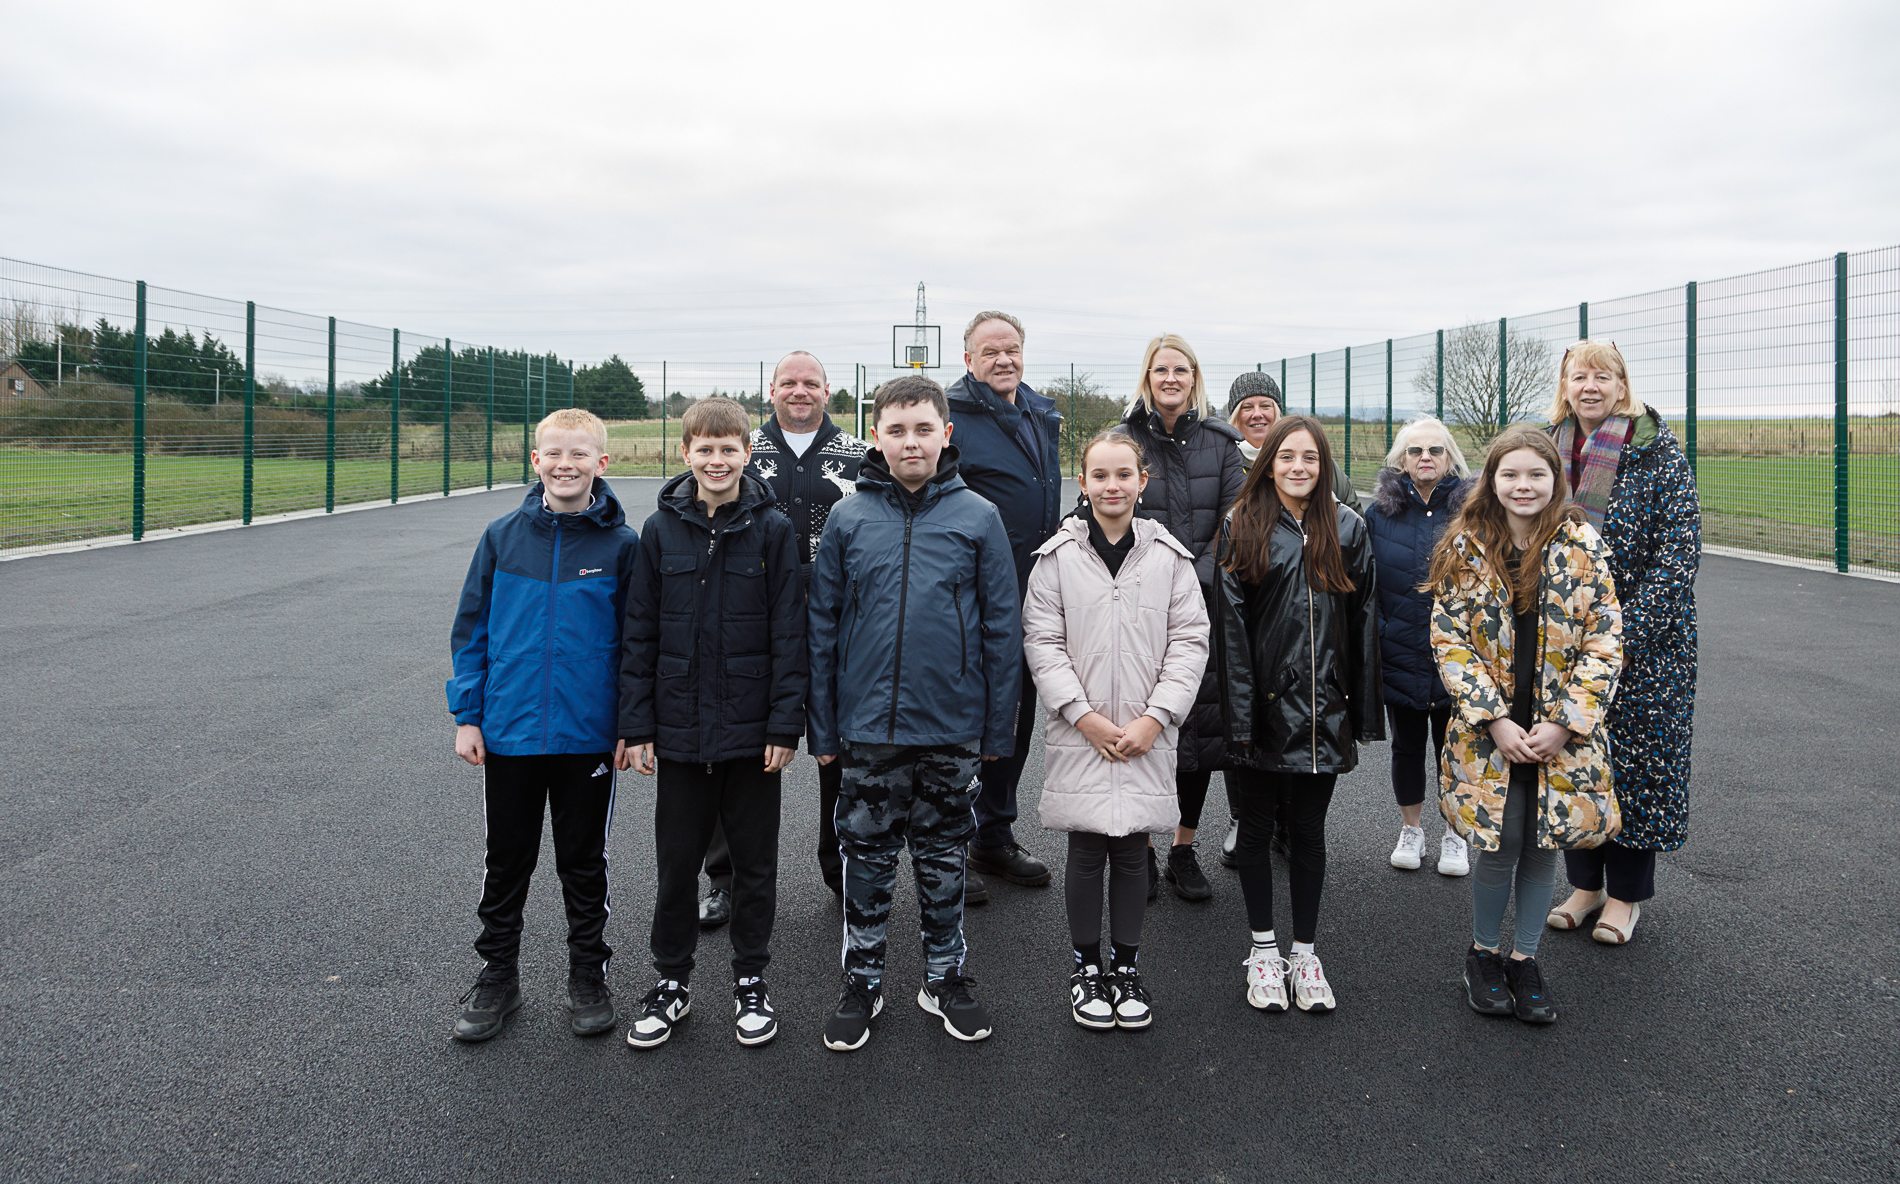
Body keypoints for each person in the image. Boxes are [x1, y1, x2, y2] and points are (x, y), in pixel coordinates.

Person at [808, 375, 1020, 1051]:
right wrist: (823, 723)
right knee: (865, 855)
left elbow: (1000, 632)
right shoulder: (849, 518)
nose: (910, 442)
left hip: (952, 725)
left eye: (923, 429)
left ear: (945, 434)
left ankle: (944, 977)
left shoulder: (978, 517)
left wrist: (996, 729)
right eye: (896, 430)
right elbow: (823, 624)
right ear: (877, 435)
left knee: (942, 854)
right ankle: (863, 981)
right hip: (867, 727)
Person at [616, 397, 806, 1049]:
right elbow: (638, 632)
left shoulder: (773, 530)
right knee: (676, 867)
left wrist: (785, 727)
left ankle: (751, 982)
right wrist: (637, 725)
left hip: (754, 737)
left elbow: (790, 631)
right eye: (705, 448)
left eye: (730, 448)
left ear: (749, 454)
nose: (717, 459)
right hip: (678, 733)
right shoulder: (658, 531)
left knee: (755, 866)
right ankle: (672, 982)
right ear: (686, 453)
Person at [445, 408, 639, 1043]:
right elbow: (472, 632)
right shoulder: (502, 538)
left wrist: (630, 726)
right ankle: (497, 977)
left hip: (588, 734)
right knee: (507, 860)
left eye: (579, 455)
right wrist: (467, 715)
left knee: (583, 862)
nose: (565, 464)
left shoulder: (622, 546)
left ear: (601, 464)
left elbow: (638, 644)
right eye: (553, 453)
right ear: (535, 461)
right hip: (511, 731)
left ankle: (588, 976)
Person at [1426, 425, 1624, 1024]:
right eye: (1510, 474)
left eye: (1536, 474)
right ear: (1492, 480)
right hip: (1493, 735)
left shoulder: (1583, 545)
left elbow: (1605, 640)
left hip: (1560, 736)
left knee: (1544, 845)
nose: (1523, 485)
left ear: (1555, 481)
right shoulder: (1465, 548)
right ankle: (1484, 955)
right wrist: (1493, 720)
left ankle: (1525, 959)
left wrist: (1566, 722)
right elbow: (1450, 640)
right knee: (1501, 840)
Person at [1022, 429, 1209, 1030]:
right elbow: (1043, 645)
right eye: (1099, 475)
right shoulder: (1054, 559)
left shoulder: (1169, 558)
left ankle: (1126, 968)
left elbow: (1190, 642)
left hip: (1146, 734)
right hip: (1083, 732)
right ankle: (1085, 967)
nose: (1112, 486)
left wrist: (1157, 717)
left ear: (1142, 481)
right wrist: (1084, 717)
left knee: (1132, 851)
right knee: (1084, 848)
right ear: (1083, 482)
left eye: (1123, 475)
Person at [1214, 415, 1382, 1014]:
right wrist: (1240, 718)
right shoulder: (1242, 524)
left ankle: (1304, 952)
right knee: (1255, 831)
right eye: (1287, 457)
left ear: (1324, 463)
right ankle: (1264, 950)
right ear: (1268, 462)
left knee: (1309, 834)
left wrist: (1360, 711)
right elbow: (1230, 633)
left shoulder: (1349, 528)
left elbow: (1363, 621)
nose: (1298, 468)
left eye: (1310, 458)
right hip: (1261, 713)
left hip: (1322, 714)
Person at [694, 351, 868, 927]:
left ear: (828, 390)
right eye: (789, 382)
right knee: (735, 748)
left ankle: (842, 869)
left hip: (836, 625)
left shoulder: (860, 458)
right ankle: (724, 879)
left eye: (810, 383)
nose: (800, 391)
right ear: (770, 389)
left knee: (836, 749)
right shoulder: (740, 450)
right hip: (750, 625)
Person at [1543, 341, 1701, 945]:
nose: (1589, 386)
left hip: (1645, 646)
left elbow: (1678, 555)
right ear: (1565, 384)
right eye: (1578, 375)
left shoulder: (1657, 452)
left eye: (1601, 376)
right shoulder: (1548, 447)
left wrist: (1621, 637)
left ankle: (1626, 898)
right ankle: (1584, 887)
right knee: (1576, 761)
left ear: (1621, 384)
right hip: (1565, 642)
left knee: (1636, 765)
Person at [1215, 372, 1360, 870]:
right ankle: (1247, 818)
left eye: (1266, 404)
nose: (1257, 413)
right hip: (1261, 634)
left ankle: (1286, 825)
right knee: (1251, 731)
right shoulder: (1227, 466)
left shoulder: (1321, 470)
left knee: (1303, 759)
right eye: (1247, 406)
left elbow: (1347, 539)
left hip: (1315, 650)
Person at [1119, 335, 1244, 902]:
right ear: (1148, 376)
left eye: (1182, 369)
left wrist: (1199, 579)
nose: (1171, 377)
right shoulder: (1126, 440)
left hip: (1204, 607)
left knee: (1198, 733)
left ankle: (1183, 849)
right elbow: (1107, 517)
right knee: (1145, 725)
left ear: (1194, 377)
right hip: (1139, 611)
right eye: (1160, 369)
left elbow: (1237, 522)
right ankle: (1141, 851)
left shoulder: (1221, 444)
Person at [945, 311, 1065, 899]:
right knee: (966, 723)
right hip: (972, 602)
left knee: (1014, 721)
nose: (1003, 359)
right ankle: (952, 848)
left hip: (1033, 597)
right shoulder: (952, 419)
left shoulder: (1042, 414)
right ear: (968, 360)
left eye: (1012, 349)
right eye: (989, 351)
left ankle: (993, 836)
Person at [1365, 415, 1473, 875]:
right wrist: (1384, 631)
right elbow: (1365, 582)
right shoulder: (1378, 514)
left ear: (1450, 457)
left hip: (1460, 657)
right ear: (1401, 460)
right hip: (1400, 649)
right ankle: (1412, 829)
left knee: (1456, 749)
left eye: (1434, 450)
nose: (1425, 458)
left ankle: (1455, 834)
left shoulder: (1474, 512)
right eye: (1415, 451)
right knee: (1407, 747)